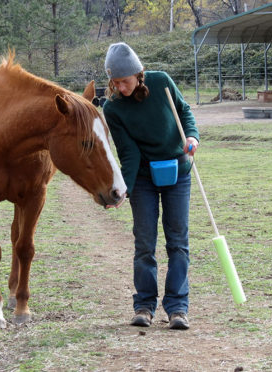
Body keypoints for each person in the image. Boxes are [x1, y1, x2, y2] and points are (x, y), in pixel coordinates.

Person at [102, 42, 199, 330]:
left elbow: (185, 112)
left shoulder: (161, 82)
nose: (120, 87)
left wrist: (192, 137)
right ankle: (144, 305)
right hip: (143, 177)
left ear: (138, 73)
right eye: (115, 82)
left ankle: (178, 308)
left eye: (125, 81)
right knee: (144, 243)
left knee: (178, 242)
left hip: (178, 170)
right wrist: (124, 189)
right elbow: (128, 154)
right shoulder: (113, 108)